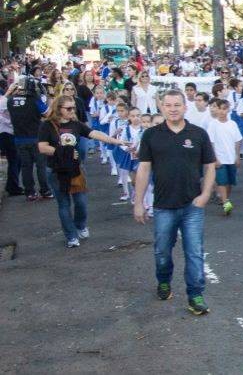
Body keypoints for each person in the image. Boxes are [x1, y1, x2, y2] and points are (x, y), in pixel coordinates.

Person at [133, 90, 216, 316]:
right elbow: (143, 168)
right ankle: (163, 280)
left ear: (184, 106)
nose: (172, 109)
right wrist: (138, 202)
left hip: (192, 206)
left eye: (177, 104)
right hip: (163, 206)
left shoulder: (198, 134)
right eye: (168, 105)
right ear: (161, 107)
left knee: (194, 252)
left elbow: (209, 166)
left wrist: (206, 194)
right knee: (162, 252)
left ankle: (196, 295)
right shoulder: (151, 135)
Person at [38, 94, 126, 247]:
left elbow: (94, 134)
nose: (73, 111)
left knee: (81, 202)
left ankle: (80, 225)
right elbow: (42, 147)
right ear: (59, 109)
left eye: (74, 108)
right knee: (63, 204)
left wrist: (116, 141)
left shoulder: (76, 124)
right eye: (69, 108)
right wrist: (63, 151)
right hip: (56, 169)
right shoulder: (47, 125)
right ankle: (71, 236)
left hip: (75, 168)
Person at [7, 77, 51, 201]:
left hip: (19, 138)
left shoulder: (10, 101)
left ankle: (30, 192)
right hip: (36, 138)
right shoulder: (34, 100)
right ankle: (45, 190)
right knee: (41, 166)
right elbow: (47, 114)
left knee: (26, 167)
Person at [205, 98, 241, 216]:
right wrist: (214, 158)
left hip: (231, 157)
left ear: (228, 110)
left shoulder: (233, 124)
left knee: (229, 182)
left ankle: (226, 199)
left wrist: (237, 155)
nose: (222, 111)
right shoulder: (213, 124)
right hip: (220, 158)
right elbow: (211, 143)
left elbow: (237, 141)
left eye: (224, 109)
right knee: (221, 181)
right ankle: (225, 202)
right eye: (219, 109)